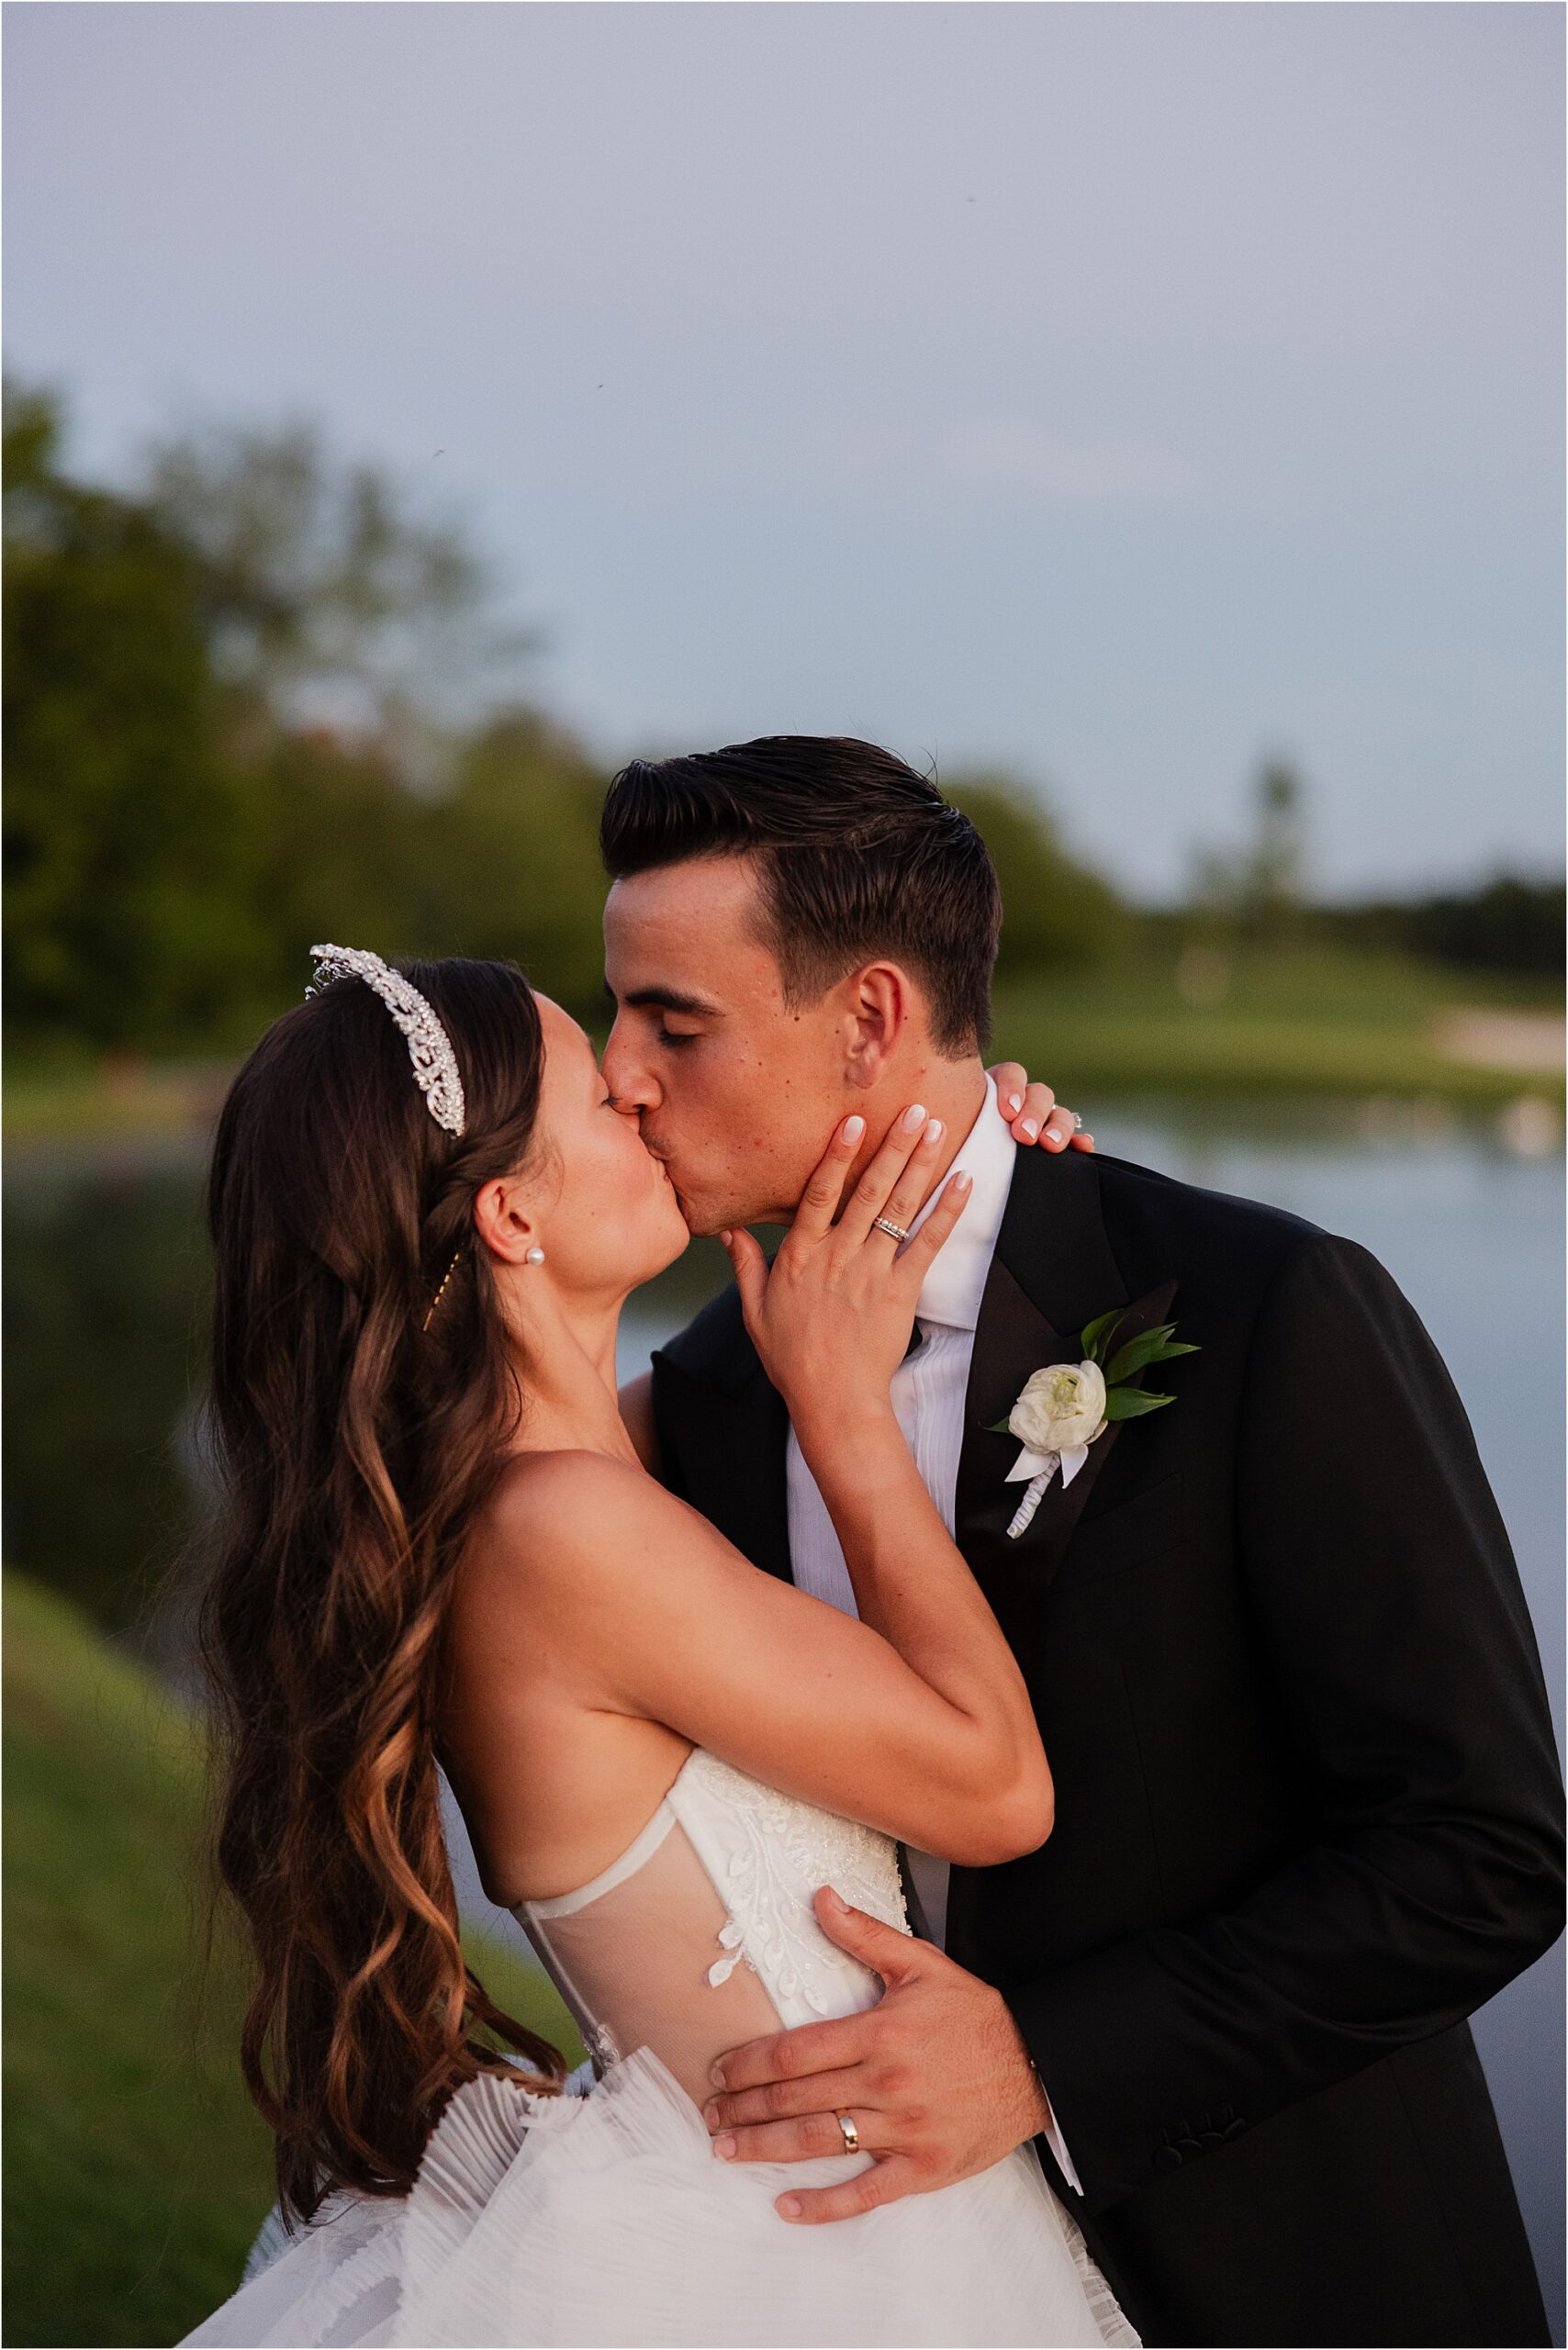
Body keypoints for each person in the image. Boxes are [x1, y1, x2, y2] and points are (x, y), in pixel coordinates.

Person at [603, 736, 1565, 2349]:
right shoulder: (707, 1392)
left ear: (870, 1020)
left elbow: (1486, 1851)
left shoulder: (1269, 1308)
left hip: (1294, 2269)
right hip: (871, 2275)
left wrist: (1049, 2063)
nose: (621, 1071)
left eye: (673, 1022)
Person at [183, 942, 1135, 2348]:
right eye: (604, 1104)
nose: (645, 1096)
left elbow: (736, 1382)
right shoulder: (560, 1533)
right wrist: (850, 1420)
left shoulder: (566, 1474)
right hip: (807, 2263)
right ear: (512, 1215)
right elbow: (997, 1790)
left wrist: (961, 1155)